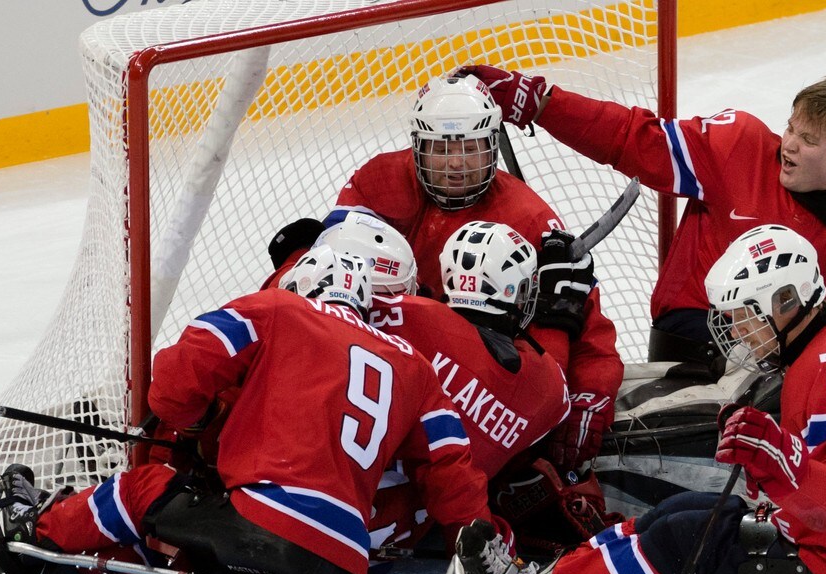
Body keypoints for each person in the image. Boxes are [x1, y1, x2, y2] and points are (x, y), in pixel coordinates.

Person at [451, 224, 826, 574]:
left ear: (785, 302)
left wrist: (782, 464)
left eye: (745, 317)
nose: (736, 333)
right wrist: (781, 466)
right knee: (682, 512)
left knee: (681, 537)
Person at [0, 247, 495, 574]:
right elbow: (453, 471)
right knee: (188, 523)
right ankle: (83, 563)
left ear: (298, 285)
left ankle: (33, 533)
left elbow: (174, 385)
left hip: (263, 527)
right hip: (336, 573)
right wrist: (481, 559)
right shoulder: (415, 366)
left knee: (144, 489)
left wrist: (192, 423)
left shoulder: (276, 309)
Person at [459, 65, 826, 362]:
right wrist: (543, 103)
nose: (790, 146)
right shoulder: (740, 147)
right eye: (792, 128)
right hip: (692, 334)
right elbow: (630, 136)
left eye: (810, 140)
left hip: (778, 348)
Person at [266, 73, 625, 476]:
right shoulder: (380, 181)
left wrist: (589, 399)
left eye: (471, 147)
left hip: (467, 388)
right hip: (372, 363)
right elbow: (325, 276)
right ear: (417, 146)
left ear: (492, 145)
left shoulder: (529, 219)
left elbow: (585, 325)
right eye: (441, 149)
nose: (456, 164)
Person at [306, 216, 618, 553]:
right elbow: (544, 374)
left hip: (300, 503)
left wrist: (298, 263)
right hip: (389, 539)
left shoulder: (403, 316)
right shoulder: (548, 392)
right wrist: (559, 312)